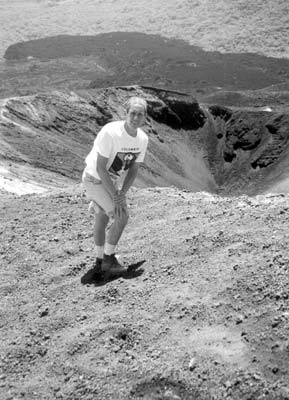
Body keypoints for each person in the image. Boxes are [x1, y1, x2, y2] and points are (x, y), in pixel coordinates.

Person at [82, 96, 149, 276]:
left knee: (103, 216)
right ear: (125, 113)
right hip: (94, 179)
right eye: (132, 114)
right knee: (122, 216)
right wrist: (116, 196)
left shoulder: (142, 139)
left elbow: (134, 169)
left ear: (145, 117)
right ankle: (109, 260)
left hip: (111, 182)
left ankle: (99, 260)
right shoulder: (110, 132)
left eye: (140, 115)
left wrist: (122, 192)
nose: (136, 118)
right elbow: (100, 167)